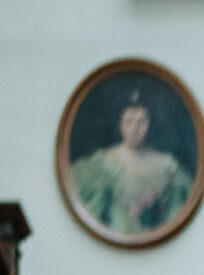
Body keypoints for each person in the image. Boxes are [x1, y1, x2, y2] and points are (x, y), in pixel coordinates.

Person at [71, 95, 192, 237]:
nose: (135, 129)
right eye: (128, 122)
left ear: (151, 123)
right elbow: (88, 213)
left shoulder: (167, 164)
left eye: (142, 122)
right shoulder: (105, 162)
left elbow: (181, 211)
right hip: (116, 243)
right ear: (120, 124)